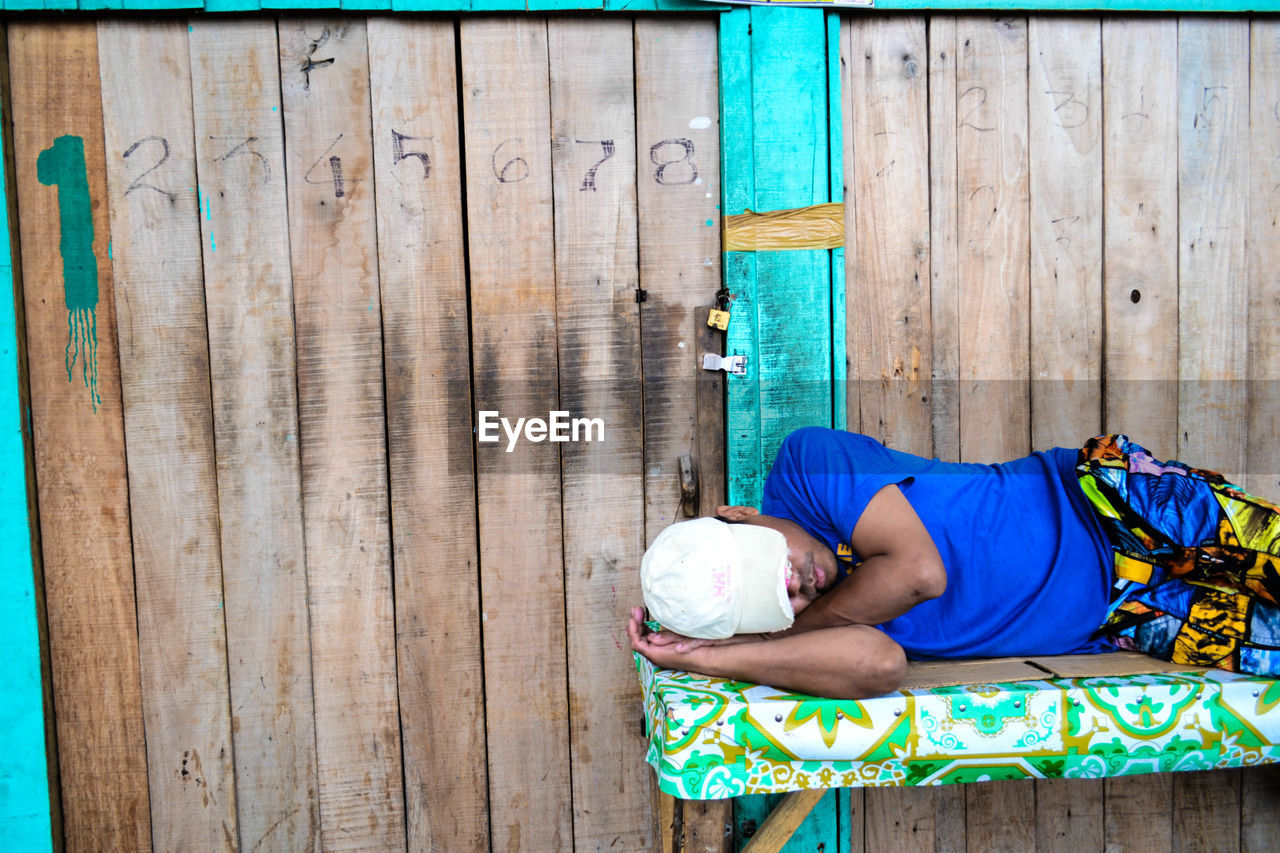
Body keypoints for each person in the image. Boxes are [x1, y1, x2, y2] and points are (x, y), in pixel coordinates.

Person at [627, 428, 1280, 700]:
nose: (800, 584)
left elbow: (919, 573)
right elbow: (880, 665)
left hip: (1108, 503)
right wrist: (710, 658)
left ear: (741, 514)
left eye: (780, 562)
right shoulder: (797, 626)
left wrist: (790, 628)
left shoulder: (806, 464)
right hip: (1126, 614)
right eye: (780, 598)